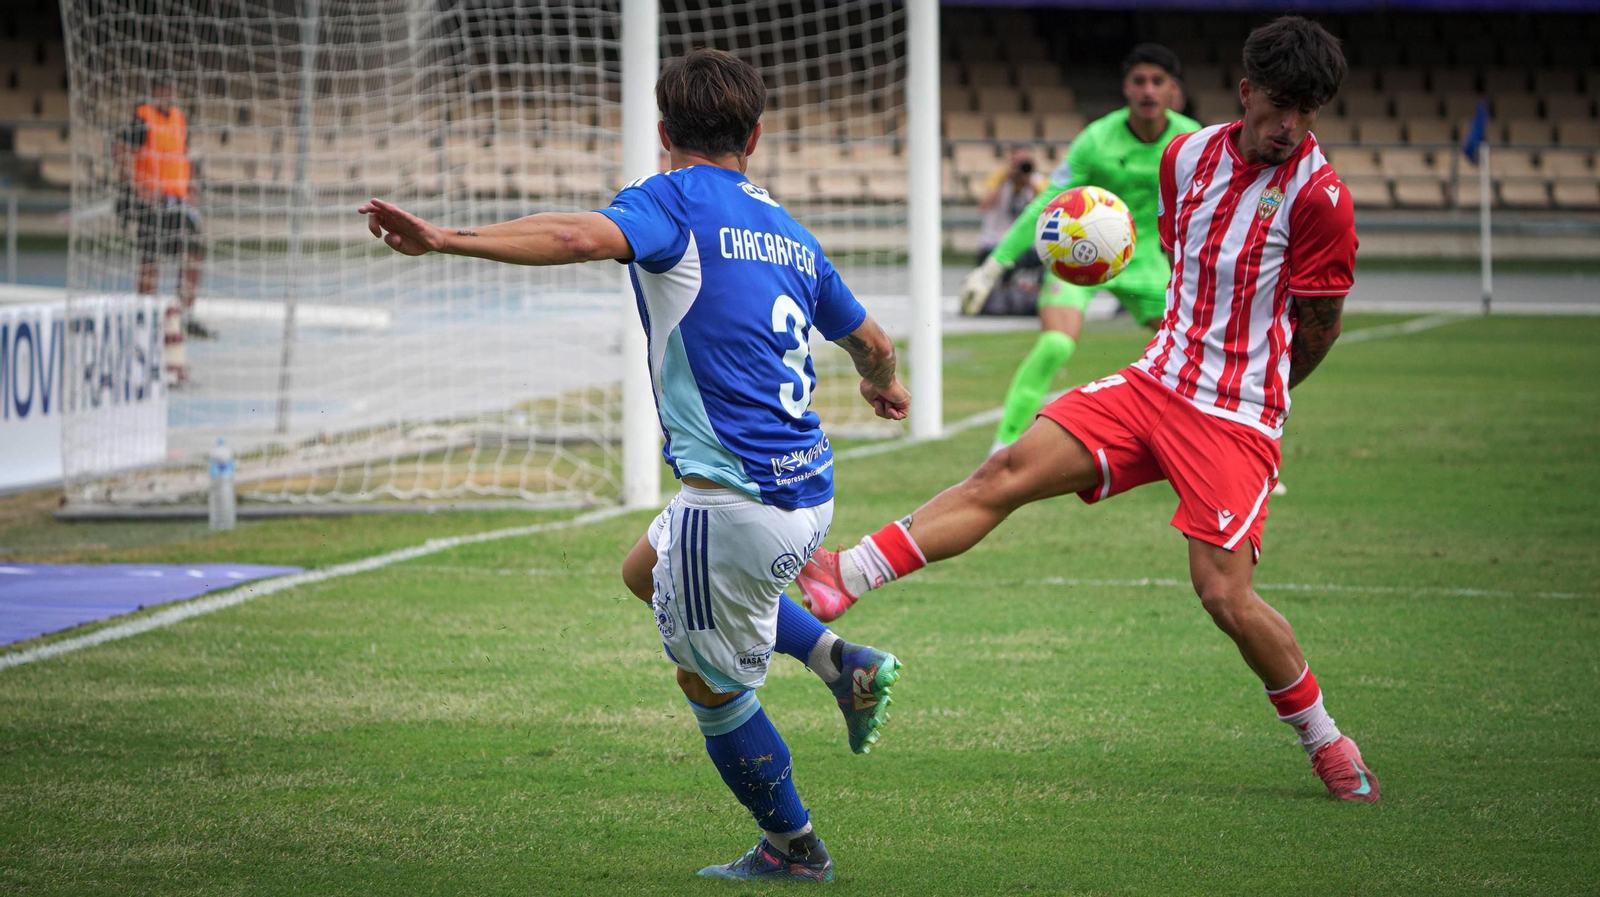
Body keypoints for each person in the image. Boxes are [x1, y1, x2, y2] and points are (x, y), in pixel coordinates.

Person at [360, 48, 912, 881]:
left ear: (663, 133)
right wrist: (885, 386)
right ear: (755, 138)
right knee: (643, 569)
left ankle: (792, 847)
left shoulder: (673, 200)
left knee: (710, 685)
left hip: (735, 502)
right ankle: (842, 661)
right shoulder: (792, 235)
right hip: (809, 491)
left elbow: (579, 234)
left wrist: (445, 238)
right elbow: (873, 341)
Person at [797, 16, 1379, 803]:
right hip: (1154, 383)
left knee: (1223, 595)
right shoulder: (1186, 157)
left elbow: (1318, 329)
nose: (1289, 127)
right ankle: (847, 575)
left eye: (1307, 113)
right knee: (1006, 467)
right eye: (1278, 106)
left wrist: (1261, 397)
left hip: (1236, 413)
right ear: (1246, 93)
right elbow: (1183, 262)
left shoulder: (1321, 200)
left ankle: (1327, 741)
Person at [960, 45, 1201, 455]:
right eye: (1139, 80)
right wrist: (994, 265)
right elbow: (1047, 201)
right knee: (1055, 345)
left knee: (1191, 357)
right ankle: (1001, 449)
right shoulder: (1096, 140)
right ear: (1126, 87)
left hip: (1146, 263)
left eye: (1157, 82)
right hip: (1078, 258)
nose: (1147, 90)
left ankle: (1214, 451)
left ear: (1172, 90)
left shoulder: (1192, 139)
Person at [115, 76, 208, 385]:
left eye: (173, 90)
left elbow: (184, 155)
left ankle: (186, 312)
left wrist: (191, 185)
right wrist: (132, 182)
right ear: (155, 92)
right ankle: (144, 314)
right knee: (151, 259)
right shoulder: (143, 119)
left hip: (177, 200)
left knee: (196, 251)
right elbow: (119, 148)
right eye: (164, 90)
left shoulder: (180, 120)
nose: (169, 95)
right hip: (152, 201)